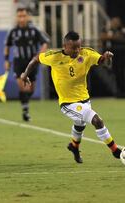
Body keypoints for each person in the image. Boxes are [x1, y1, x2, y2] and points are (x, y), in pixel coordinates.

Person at [20, 31, 122, 163]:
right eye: (73, 48)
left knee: (80, 125)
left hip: (85, 99)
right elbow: (36, 59)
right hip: (68, 103)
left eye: (79, 47)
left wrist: (106, 57)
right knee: (97, 121)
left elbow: (101, 60)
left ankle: (74, 146)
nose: (77, 50)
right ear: (65, 46)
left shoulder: (86, 53)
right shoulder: (54, 57)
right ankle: (116, 151)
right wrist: (25, 73)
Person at [4, 7, 49, 121]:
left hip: (32, 62)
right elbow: (7, 46)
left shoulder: (34, 29)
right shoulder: (13, 31)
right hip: (18, 62)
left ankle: (25, 102)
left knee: (31, 89)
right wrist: (6, 60)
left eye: (24, 16)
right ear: (17, 17)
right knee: (22, 86)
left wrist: (40, 55)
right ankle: (25, 111)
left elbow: (45, 43)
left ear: (28, 17)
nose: (22, 18)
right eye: (20, 16)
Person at [100, 17, 125, 97]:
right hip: (113, 55)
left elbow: (120, 38)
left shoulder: (122, 29)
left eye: (117, 22)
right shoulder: (107, 29)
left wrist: (112, 37)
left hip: (122, 55)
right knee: (115, 72)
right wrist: (114, 37)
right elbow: (103, 37)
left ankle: (122, 91)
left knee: (122, 73)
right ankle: (118, 92)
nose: (115, 23)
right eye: (114, 22)